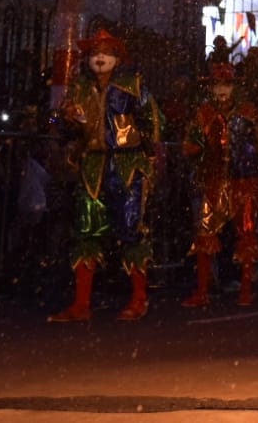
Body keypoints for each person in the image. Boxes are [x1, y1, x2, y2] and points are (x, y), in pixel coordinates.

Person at [48, 28, 165, 323]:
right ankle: (81, 304)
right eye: (95, 52)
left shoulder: (133, 85)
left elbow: (154, 120)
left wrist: (152, 156)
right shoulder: (79, 88)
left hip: (127, 165)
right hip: (92, 166)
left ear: (117, 57)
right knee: (85, 231)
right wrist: (65, 120)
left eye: (106, 51)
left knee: (131, 230)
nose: (100, 57)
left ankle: (139, 299)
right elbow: (58, 122)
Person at [180, 60, 258, 308]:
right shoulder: (203, 114)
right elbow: (191, 144)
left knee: (247, 235)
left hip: (244, 182)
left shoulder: (248, 113)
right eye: (217, 84)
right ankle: (202, 289)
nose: (221, 90)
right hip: (215, 181)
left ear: (234, 88)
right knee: (206, 233)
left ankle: (246, 289)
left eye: (226, 84)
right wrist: (197, 148)